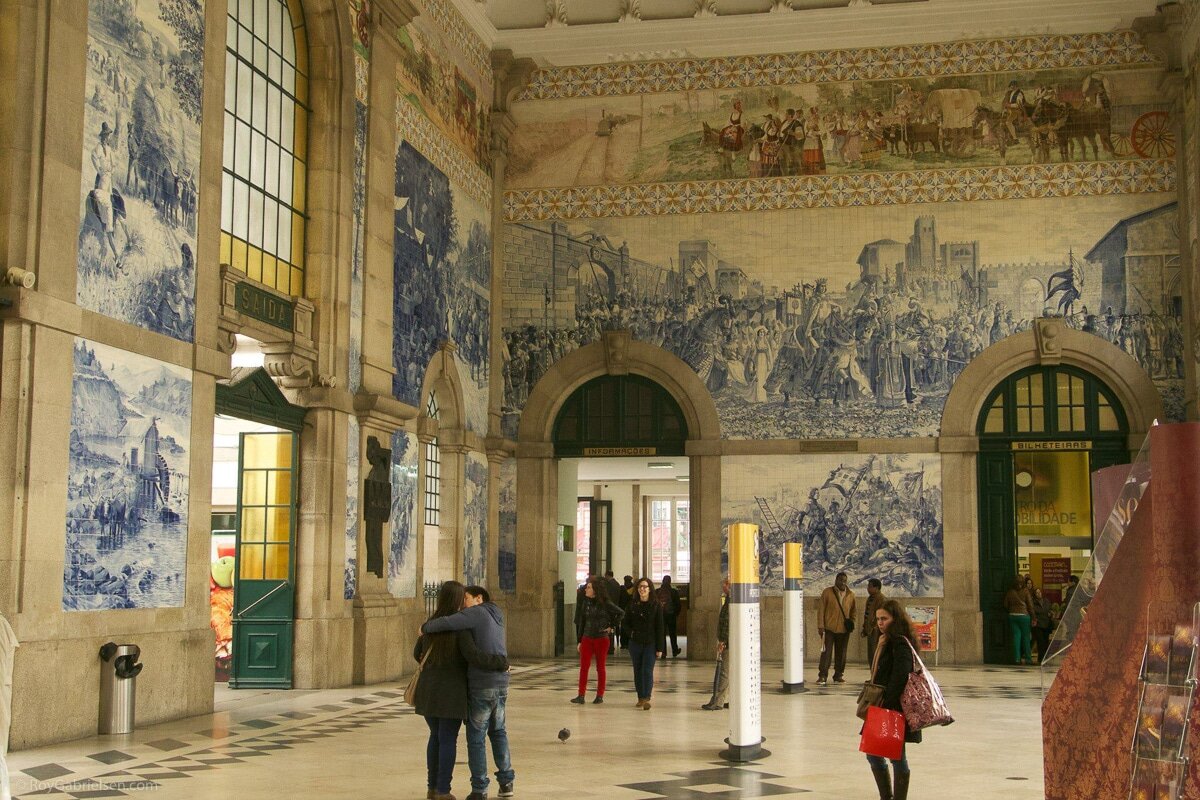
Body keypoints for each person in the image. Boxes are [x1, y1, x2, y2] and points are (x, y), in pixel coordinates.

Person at [413, 581, 509, 800]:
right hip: (452, 692)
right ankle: (443, 790)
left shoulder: (430, 624)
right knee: (447, 739)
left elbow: (416, 653)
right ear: (458, 600)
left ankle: (431, 788)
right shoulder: (460, 628)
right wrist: (501, 662)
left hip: (429, 690)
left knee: (435, 736)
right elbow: (472, 656)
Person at [864, 599, 922, 800]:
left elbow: (901, 675)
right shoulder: (885, 640)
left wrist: (887, 705)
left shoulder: (899, 642)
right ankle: (886, 796)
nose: (880, 623)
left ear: (895, 619)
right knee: (873, 753)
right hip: (883, 705)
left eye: (884, 618)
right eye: (878, 619)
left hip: (892, 706)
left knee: (896, 756)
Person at [571, 576, 624, 704]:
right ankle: (581, 695)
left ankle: (600, 695)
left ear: (595, 590)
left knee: (600, 667)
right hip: (587, 637)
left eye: (588, 587)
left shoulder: (605, 603)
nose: (586, 590)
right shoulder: (586, 603)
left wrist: (612, 626)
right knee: (584, 667)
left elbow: (621, 613)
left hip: (601, 638)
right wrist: (579, 640)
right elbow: (582, 622)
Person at [625, 577, 665, 709]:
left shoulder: (656, 605)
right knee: (637, 670)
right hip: (635, 643)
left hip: (650, 643)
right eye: (640, 587)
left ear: (650, 589)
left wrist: (660, 648)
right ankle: (640, 697)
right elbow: (625, 623)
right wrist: (631, 634)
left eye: (645, 587)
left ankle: (647, 697)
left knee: (647, 670)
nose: (642, 589)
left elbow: (660, 627)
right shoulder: (632, 605)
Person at [817, 572, 856, 685]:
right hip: (829, 628)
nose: (842, 583)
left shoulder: (851, 595)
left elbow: (853, 611)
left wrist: (852, 622)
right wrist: (821, 626)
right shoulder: (827, 592)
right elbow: (821, 610)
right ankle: (823, 675)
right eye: (840, 580)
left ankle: (838, 675)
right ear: (836, 580)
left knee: (841, 653)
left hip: (844, 630)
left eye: (844, 580)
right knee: (826, 653)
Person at [702, 576, 731, 710]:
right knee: (729, 673)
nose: (723, 587)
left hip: (729, 643)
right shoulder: (729, 600)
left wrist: (722, 641)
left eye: (726, 585)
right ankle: (728, 699)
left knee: (724, 673)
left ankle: (717, 701)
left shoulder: (731, 602)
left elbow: (727, 623)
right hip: (731, 641)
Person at [1004, 575, 1034, 665]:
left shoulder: (1010, 592)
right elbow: (1030, 606)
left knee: (1016, 637)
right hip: (1024, 616)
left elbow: (1005, 605)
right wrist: (1034, 617)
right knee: (1026, 638)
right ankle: (1028, 659)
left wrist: (1011, 610)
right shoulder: (1026, 591)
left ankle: (1017, 659)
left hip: (1013, 616)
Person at [862, 578, 888, 667]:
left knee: (877, 653)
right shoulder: (870, 599)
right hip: (870, 630)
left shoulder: (882, 599)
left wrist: (875, 626)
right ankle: (873, 672)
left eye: (870, 587)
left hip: (877, 631)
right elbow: (867, 614)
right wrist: (865, 628)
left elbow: (882, 617)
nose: (868, 589)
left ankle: (877, 672)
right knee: (871, 654)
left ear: (876, 588)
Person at [656, 575, 682, 657]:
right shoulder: (674, 592)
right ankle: (675, 650)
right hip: (671, 615)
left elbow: (654, 604)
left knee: (661, 634)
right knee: (672, 633)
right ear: (670, 582)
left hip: (660, 616)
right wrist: (675, 614)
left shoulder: (657, 591)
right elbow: (678, 605)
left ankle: (663, 652)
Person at [1030, 586, 1053, 665]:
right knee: (1040, 642)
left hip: (1046, 624)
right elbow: (1032, 612)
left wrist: (1050, 613)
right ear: (1034, 594)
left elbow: (1050, 610)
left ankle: (1045, 659)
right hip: (1038, 624)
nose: (1038, 594)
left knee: (1046, 642)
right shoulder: (1033, 602)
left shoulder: (1046, 601)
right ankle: (1040, 659)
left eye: (1039, 592)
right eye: (1036, 593)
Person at [603, 571, 623, 654]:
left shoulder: (608, 584)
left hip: (609, 608)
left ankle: (609, 647)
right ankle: (611, 646)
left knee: (608, 628)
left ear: (607, 575)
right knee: (612, 628)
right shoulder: (617, 584)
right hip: (615, 607)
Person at [617, 575, 634, 649]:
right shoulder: (633, 589)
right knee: (626, 627)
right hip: (627, 611)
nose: (626, 583)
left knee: (625, 627)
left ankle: (625, 643)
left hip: (625, 610)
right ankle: (626, 643)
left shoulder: (623, 589)